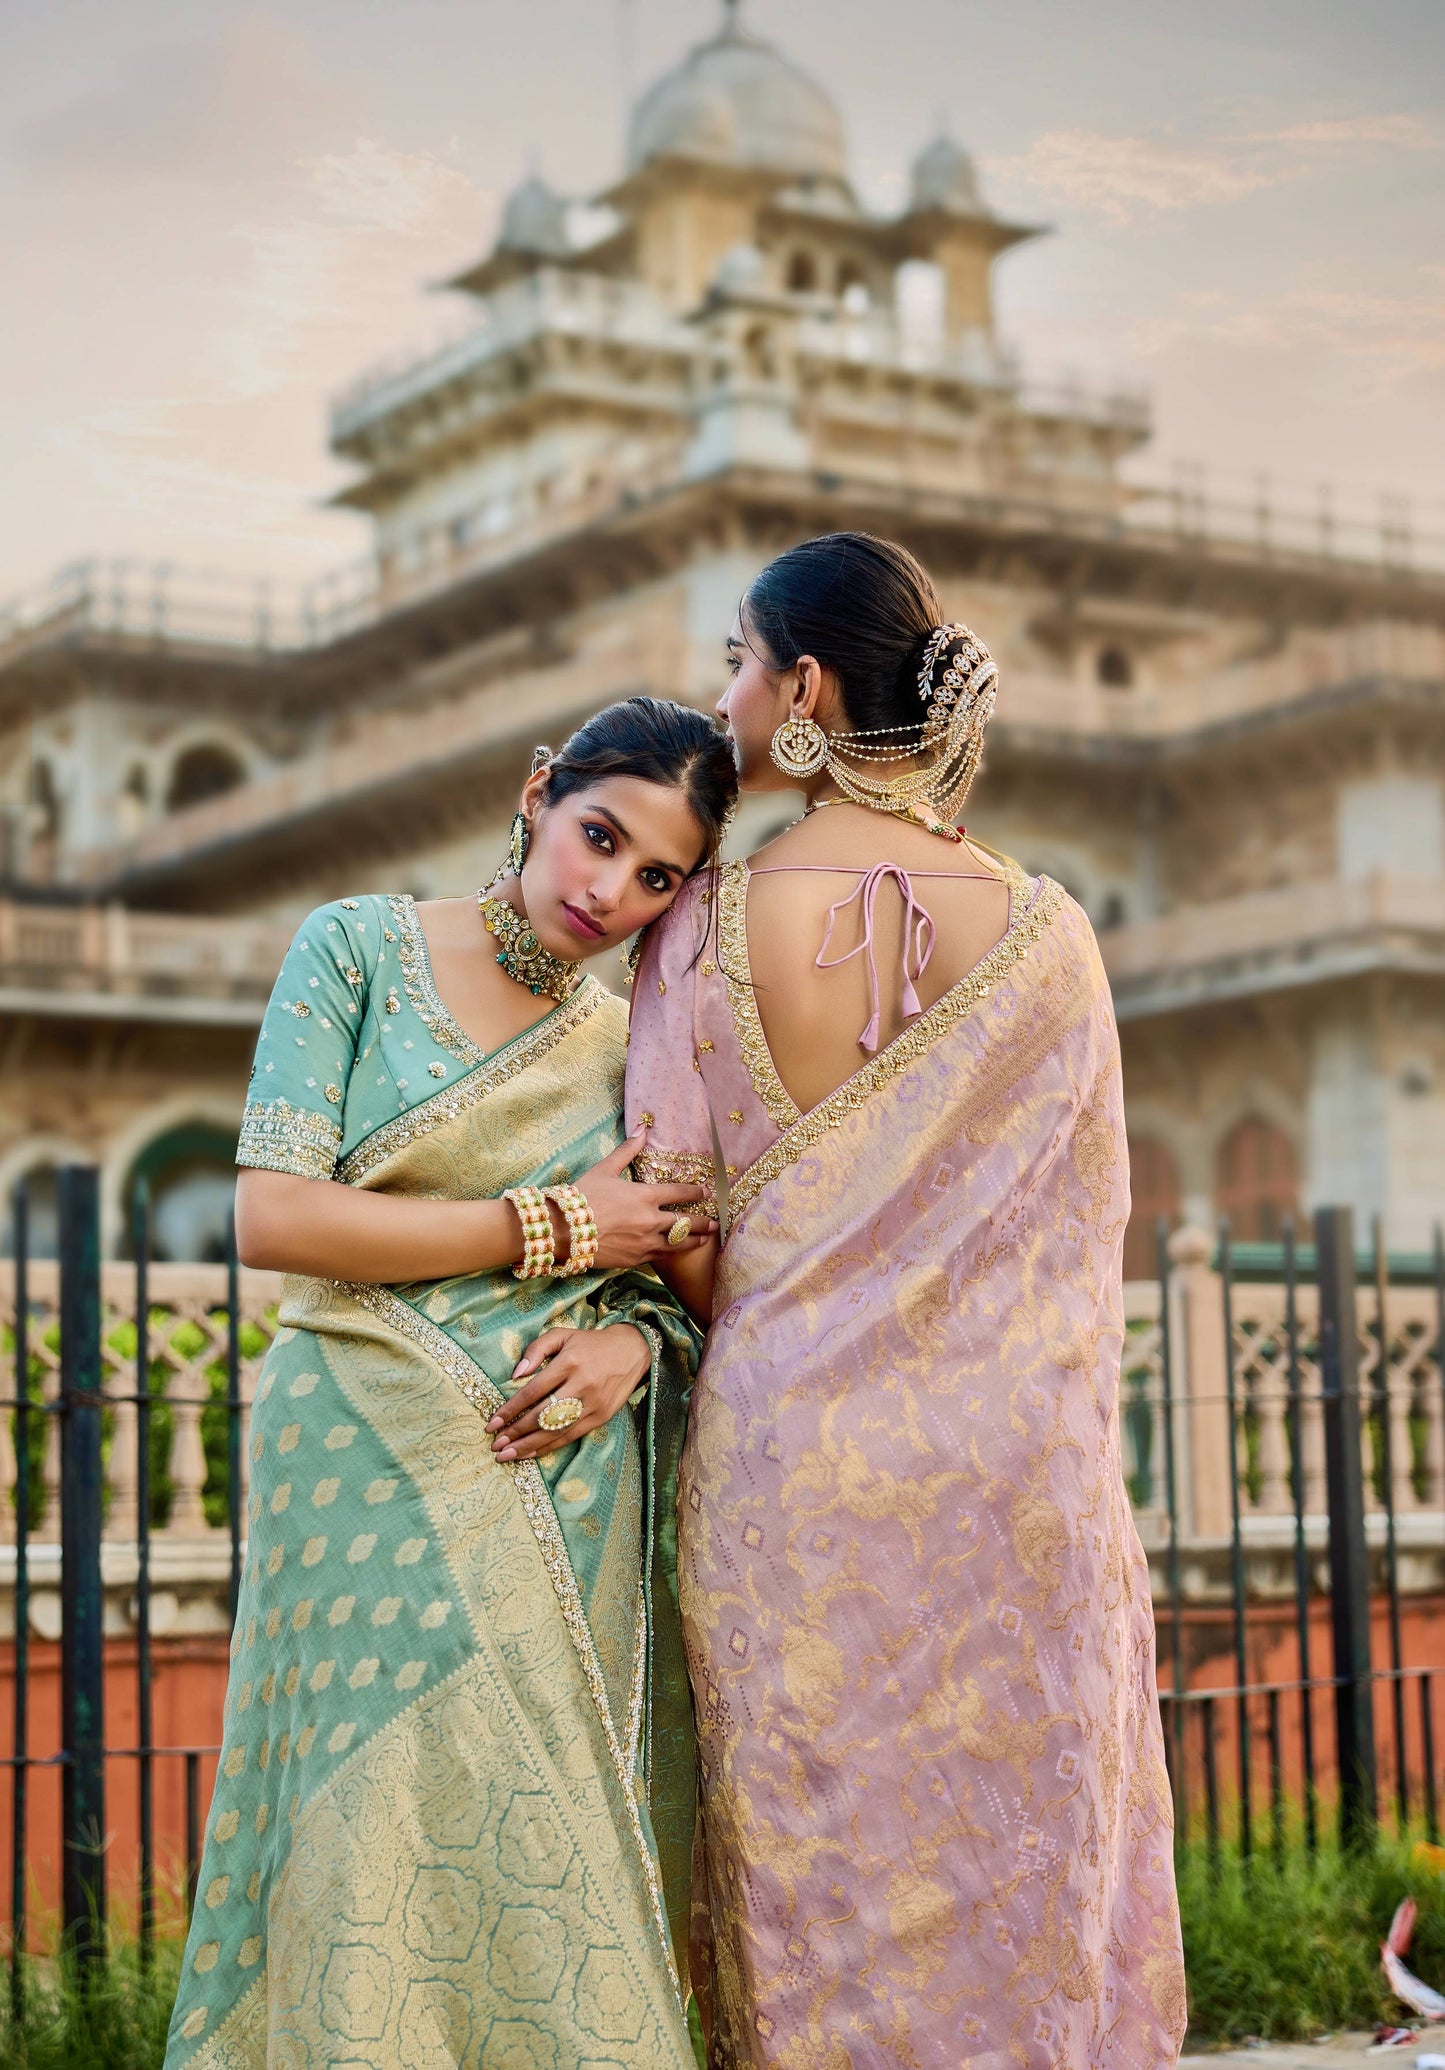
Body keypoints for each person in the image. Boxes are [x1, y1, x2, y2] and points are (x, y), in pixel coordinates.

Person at [627, 536, 1187, 2068]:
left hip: (790, 1476)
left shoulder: (701, 930)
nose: (722, 693)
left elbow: (672, 1210)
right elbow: (1086, 1244)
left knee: (822, 1877)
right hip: (1018, 1485)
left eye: (739, 662)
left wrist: (768, 1283)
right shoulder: (1049, 933)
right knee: (1016, 1870)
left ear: (803, 689)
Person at [164, 698, 736, 2070]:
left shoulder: (633, 1047)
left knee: (533, 1817)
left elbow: (696, 1290)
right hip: (358, 1440)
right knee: (367, 1811)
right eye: (599, 836)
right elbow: (276, 1216)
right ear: (538, 793)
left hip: (561, 1472)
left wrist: (632, 1344)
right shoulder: (354, 947)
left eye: (658, 876)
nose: (610, 892)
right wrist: (547, 1227)